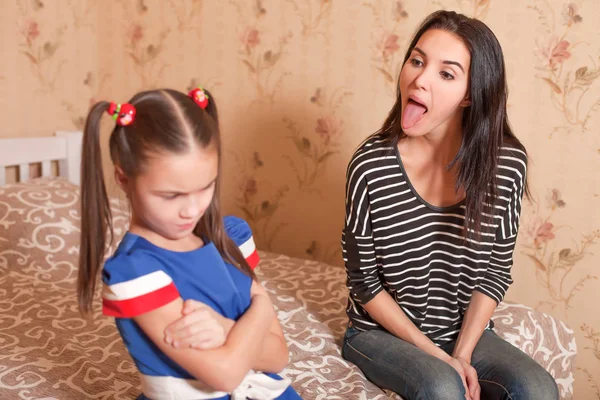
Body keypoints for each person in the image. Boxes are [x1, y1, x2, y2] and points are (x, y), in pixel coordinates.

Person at [340, 10, 559, 400]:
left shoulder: (506, 165)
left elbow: (494, 270)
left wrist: (461, 352)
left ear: (471, 94)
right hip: (376, 334)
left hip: (461, 332)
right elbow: (364, 284)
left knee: (538, 389)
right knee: (444, 388)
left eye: (446, 73)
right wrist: (438, 359)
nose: (419, 79)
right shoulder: (370, 165)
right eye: (417, 60)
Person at [76, 87, 301, 400]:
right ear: (123, 178)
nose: (192, 210)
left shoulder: (228, 237)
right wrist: (261, 309)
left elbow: (279, 356)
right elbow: (225, 373)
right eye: (171, 195)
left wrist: (224, 329)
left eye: (205, 187)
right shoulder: (134, 270)